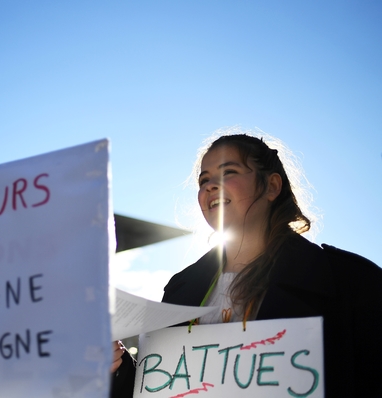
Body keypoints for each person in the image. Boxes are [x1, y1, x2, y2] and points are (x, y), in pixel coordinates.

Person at [110, 133, 382, 397]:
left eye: (228, 172)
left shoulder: (350, 280)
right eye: (204, 180)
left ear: (272, 186)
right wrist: (117, 369)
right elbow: (160, 386)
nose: (209, 186)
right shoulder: (180, 288)